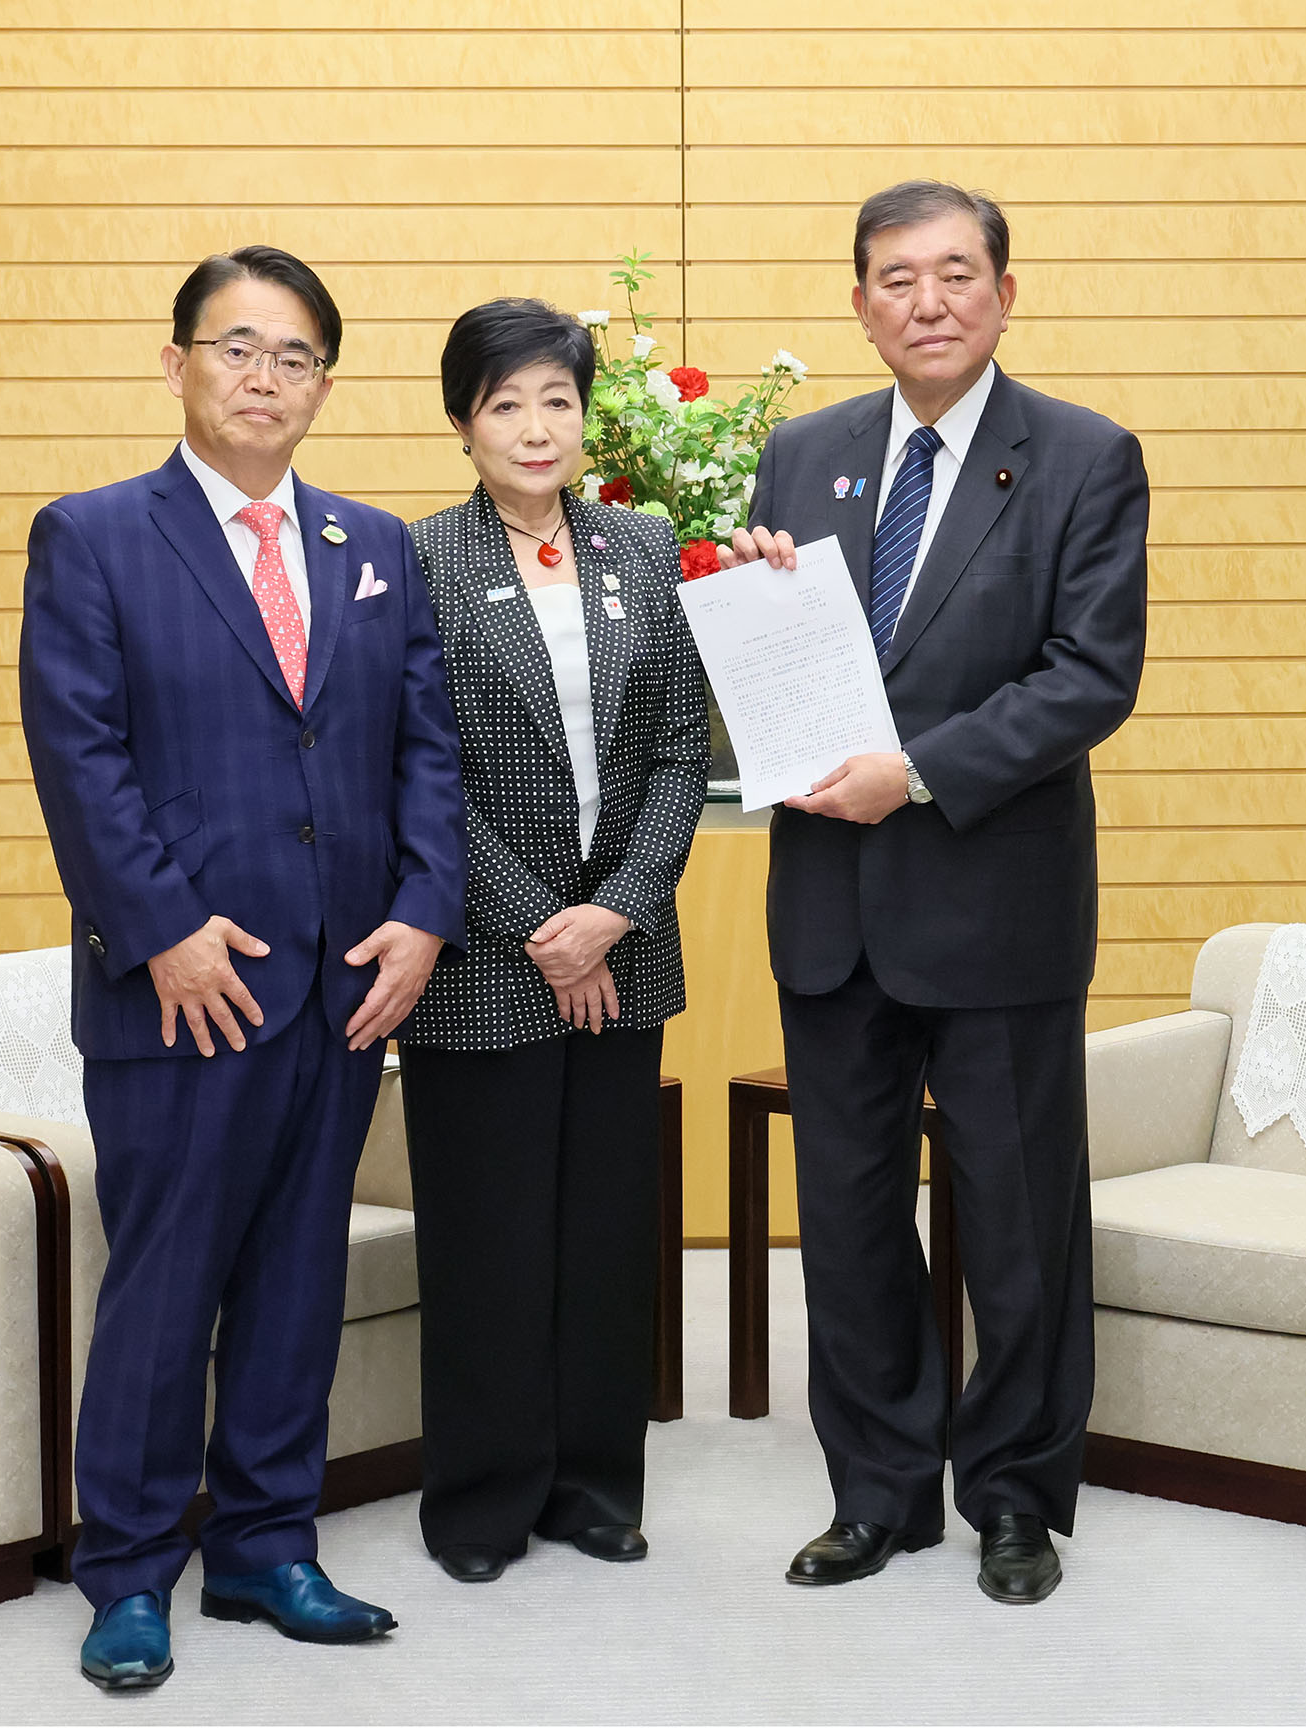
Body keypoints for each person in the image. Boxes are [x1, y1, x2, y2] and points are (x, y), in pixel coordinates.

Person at [20, 246, 467, 1689]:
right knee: (165, 1282)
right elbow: (78, 755)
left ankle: (271, 1545)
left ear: (324, 385)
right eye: (236, 348)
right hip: (180, 987)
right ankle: (131, 1569)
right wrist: (161, 926)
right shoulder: (92, 536)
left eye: (294, 358)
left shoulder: (373, 545)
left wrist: (423, 911)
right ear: (177, 364)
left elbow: (423, 754)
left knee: (295, 1274)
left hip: (347, 984)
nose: (263, 378)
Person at [724, 181, 1149, 1605]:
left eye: (956, 274)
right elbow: (781, 661)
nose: (928, 301)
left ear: (1005, 292)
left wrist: (913, 771)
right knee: (845, 1218)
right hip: (833, 908)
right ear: (859, 305)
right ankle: (881, 1491)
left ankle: (1016, 1496)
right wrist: (764, 602)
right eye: (895, 280)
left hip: (996, 901)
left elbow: (1089, 678)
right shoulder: (804, 454)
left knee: (1017, 1222)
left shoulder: (1086, 457)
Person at [396, 299, 709, 1585]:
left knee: (602, 1234)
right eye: (504, 403)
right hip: (485, 953)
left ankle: (591, 1482)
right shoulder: (412, 559)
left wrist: (615, 912)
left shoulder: (642, 546)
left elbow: (683, 747)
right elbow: (412, 773)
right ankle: (479, 1497)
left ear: (587, 416)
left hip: (621, 947)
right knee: (488, 1237)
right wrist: (540, 926)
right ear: (463, 421)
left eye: (557, 401)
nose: (535, 427)